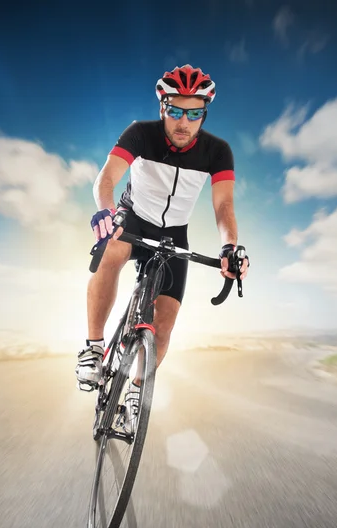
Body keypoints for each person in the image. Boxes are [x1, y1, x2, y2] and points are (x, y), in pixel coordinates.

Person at [76, 64, 250, 414]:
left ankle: (137, 394)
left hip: (175, 234)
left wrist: (230, 247)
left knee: (164, 325)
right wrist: (106, 212)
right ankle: (94, 348)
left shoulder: (218, 152)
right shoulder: (140, 133)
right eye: (175, 110)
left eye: (194, 113)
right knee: (111, 251)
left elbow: (224, 205)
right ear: (162, 108)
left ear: (204, 114)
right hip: (133, 217)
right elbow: (106, 179)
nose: (183, 122)